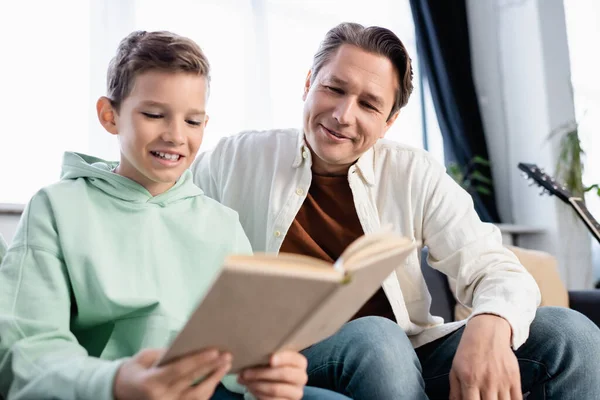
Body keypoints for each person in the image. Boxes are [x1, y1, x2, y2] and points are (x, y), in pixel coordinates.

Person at [193, 22, 600, 399]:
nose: (343, 115)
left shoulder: (412, 172)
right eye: (334, 89)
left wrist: (492, 322)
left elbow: (495, 268)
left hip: (407, 354)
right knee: (377, 337)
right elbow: (155, 192)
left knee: (572, 335)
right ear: (308, 84)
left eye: (369, 105)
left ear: (389, 121)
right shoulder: (235, 157)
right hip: (295, 359)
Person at [0, 30, 347, 400]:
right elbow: (27, 353)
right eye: (153, 114)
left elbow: (247, 350)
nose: (176, 136)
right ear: (109, 115)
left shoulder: (222, 224)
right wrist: (116, 383)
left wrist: (272, 375)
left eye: (193, 122)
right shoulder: (57, 208)